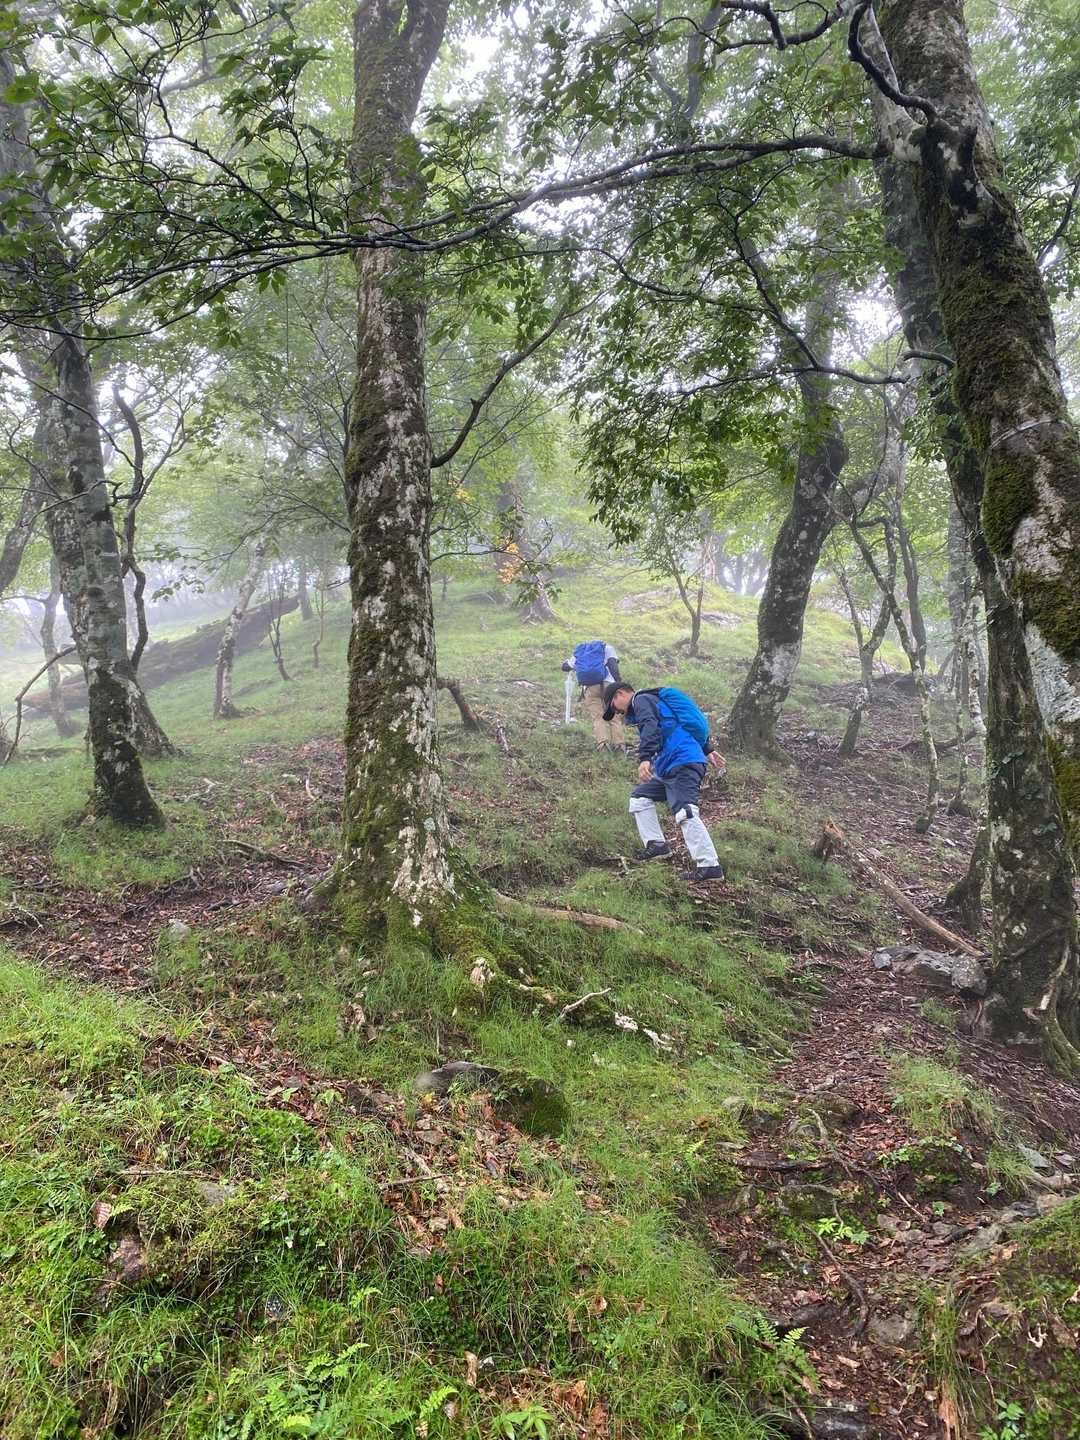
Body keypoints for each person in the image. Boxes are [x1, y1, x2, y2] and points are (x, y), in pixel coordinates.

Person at [601, 680, 726, 881]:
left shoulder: (641, 700)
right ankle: (657, 845)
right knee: (639, 798)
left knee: (685, 811)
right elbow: (673, 725)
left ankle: (710, 865)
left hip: (682, 761)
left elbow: (651, 726)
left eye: (613, 706)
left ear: (620, 694)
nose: (617, 712)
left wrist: (645, 758)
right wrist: (706, 749)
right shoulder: (653, 701)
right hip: (671, 765)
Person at [562, 640, 626, 750]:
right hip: (608, 686)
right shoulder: (607, 648)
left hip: (590, 688)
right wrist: (619, 684)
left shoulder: (581, 653)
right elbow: (613, 666)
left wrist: (567, 664)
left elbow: (565, 667)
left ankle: (603, 745)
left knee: (598, 717)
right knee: (614, 717)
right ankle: (619, 745)